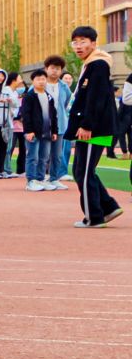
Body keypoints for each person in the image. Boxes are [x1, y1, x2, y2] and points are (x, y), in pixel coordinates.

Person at [67, 26, 123, 228]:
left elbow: (96, 98)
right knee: (80, 170)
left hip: (94, 128)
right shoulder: (90, 64)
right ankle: (108, 207)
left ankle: (94, 217)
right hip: (91, 127)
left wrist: (87, 125)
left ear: (93, 43)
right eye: (75, 42)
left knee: (84, 172)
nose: (78, 46)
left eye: (83, 42)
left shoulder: (98, 64)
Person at [21, 70, 61, 191]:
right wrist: (28, 131)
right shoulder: (29, 96)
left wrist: (54, 131)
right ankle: (31, 181)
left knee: (44, 158)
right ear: (33, 81)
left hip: (47, 132)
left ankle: (40, 179)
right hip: (33, 132)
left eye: (43, 79)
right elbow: (26, 115)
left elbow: (53, 115)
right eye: (38, 79)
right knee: (33, 157)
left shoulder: (49, 97)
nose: (41, 81)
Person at [44, 55, 76, 184]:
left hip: (60, 124)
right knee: (43, 153)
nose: (55, 71)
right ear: (46, 69)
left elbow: (66, 102)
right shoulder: (40, 83)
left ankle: (54, 178)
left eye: (58, 69)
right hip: (43, 124)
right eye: (52, 68)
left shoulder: (64, 86)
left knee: (57, 154)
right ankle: (39, 177)